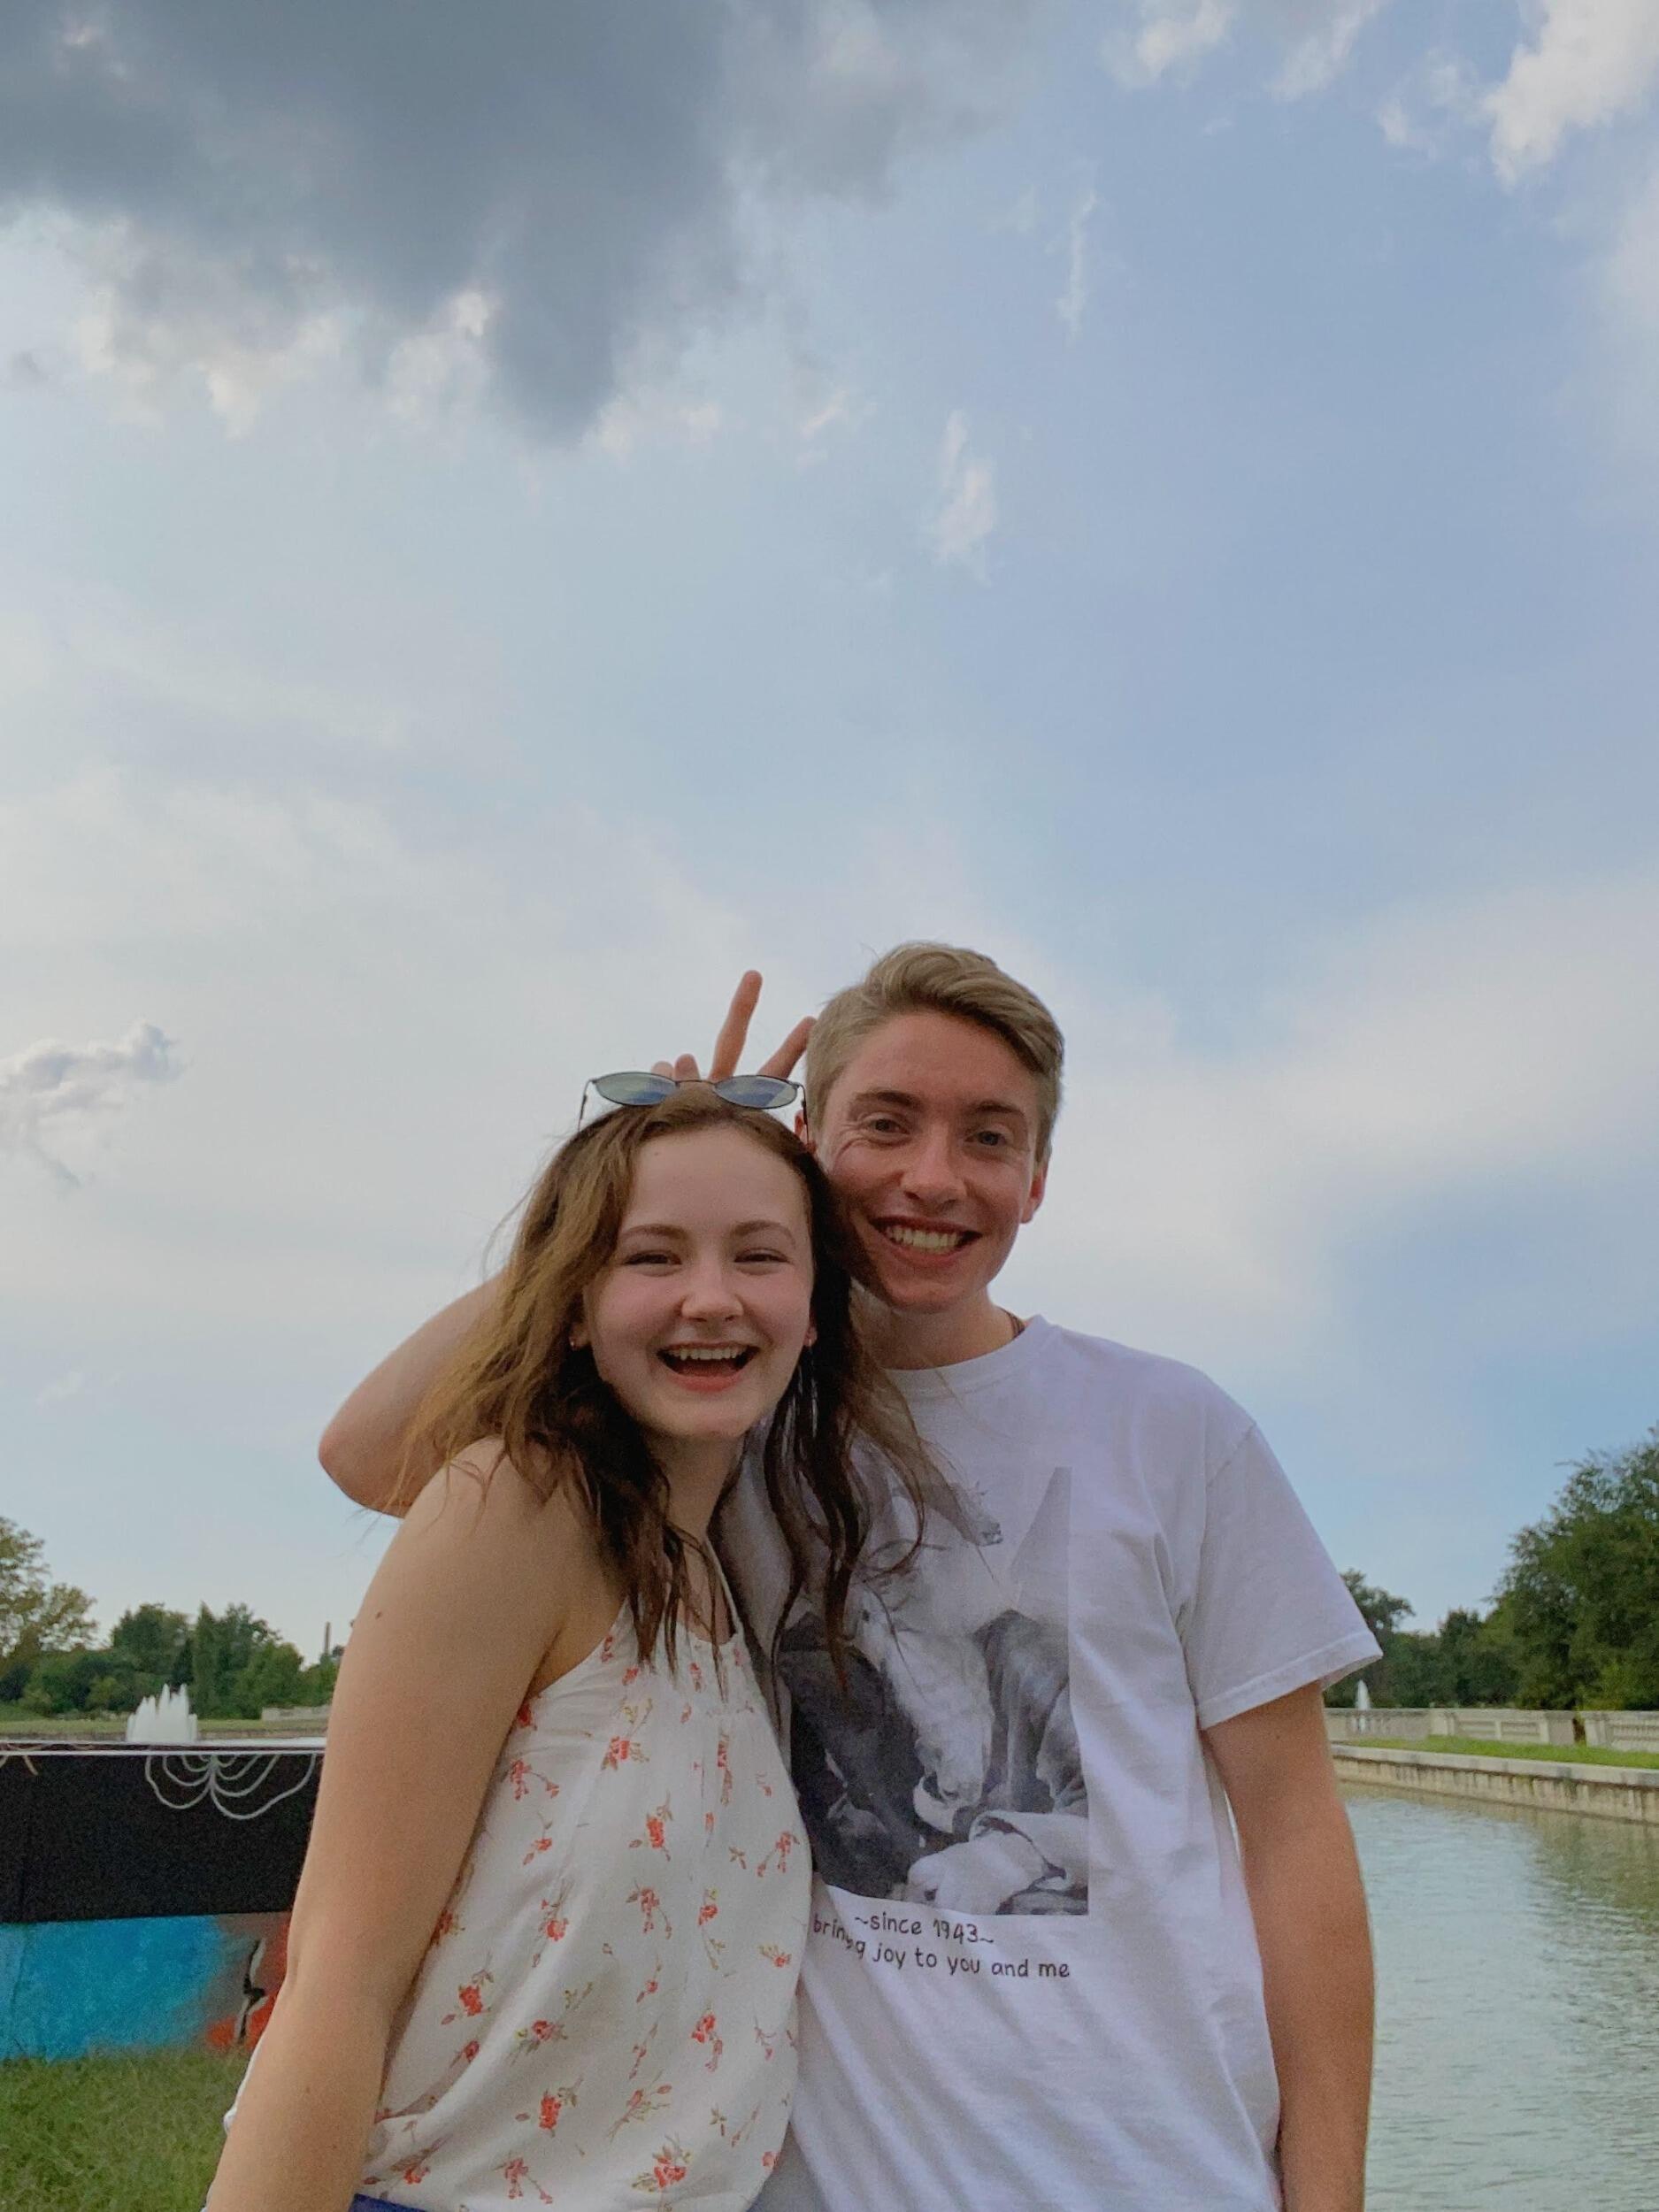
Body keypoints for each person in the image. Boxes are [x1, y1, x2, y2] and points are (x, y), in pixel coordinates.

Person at [322, 945, 1382, 2212]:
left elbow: (1294, 1846)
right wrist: (646, 1174)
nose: (932, 1177)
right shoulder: (718, 1409)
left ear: (1036, 1179)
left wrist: (1321, 2193)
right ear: (812, 1144)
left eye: (989, 1137)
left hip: (1150, 2172)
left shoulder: (1170, 1429)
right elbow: (377, 1459)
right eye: (885, 1125)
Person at [210, 1083, 933, 2212]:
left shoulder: (729, 1575)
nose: (710, 1298)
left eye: (759, 1254)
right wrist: (636, 1140)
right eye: (650, 1256)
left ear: (814, 1306)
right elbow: (340, 1976)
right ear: (576, 1306)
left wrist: (679, 1163)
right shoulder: (516, 1508)